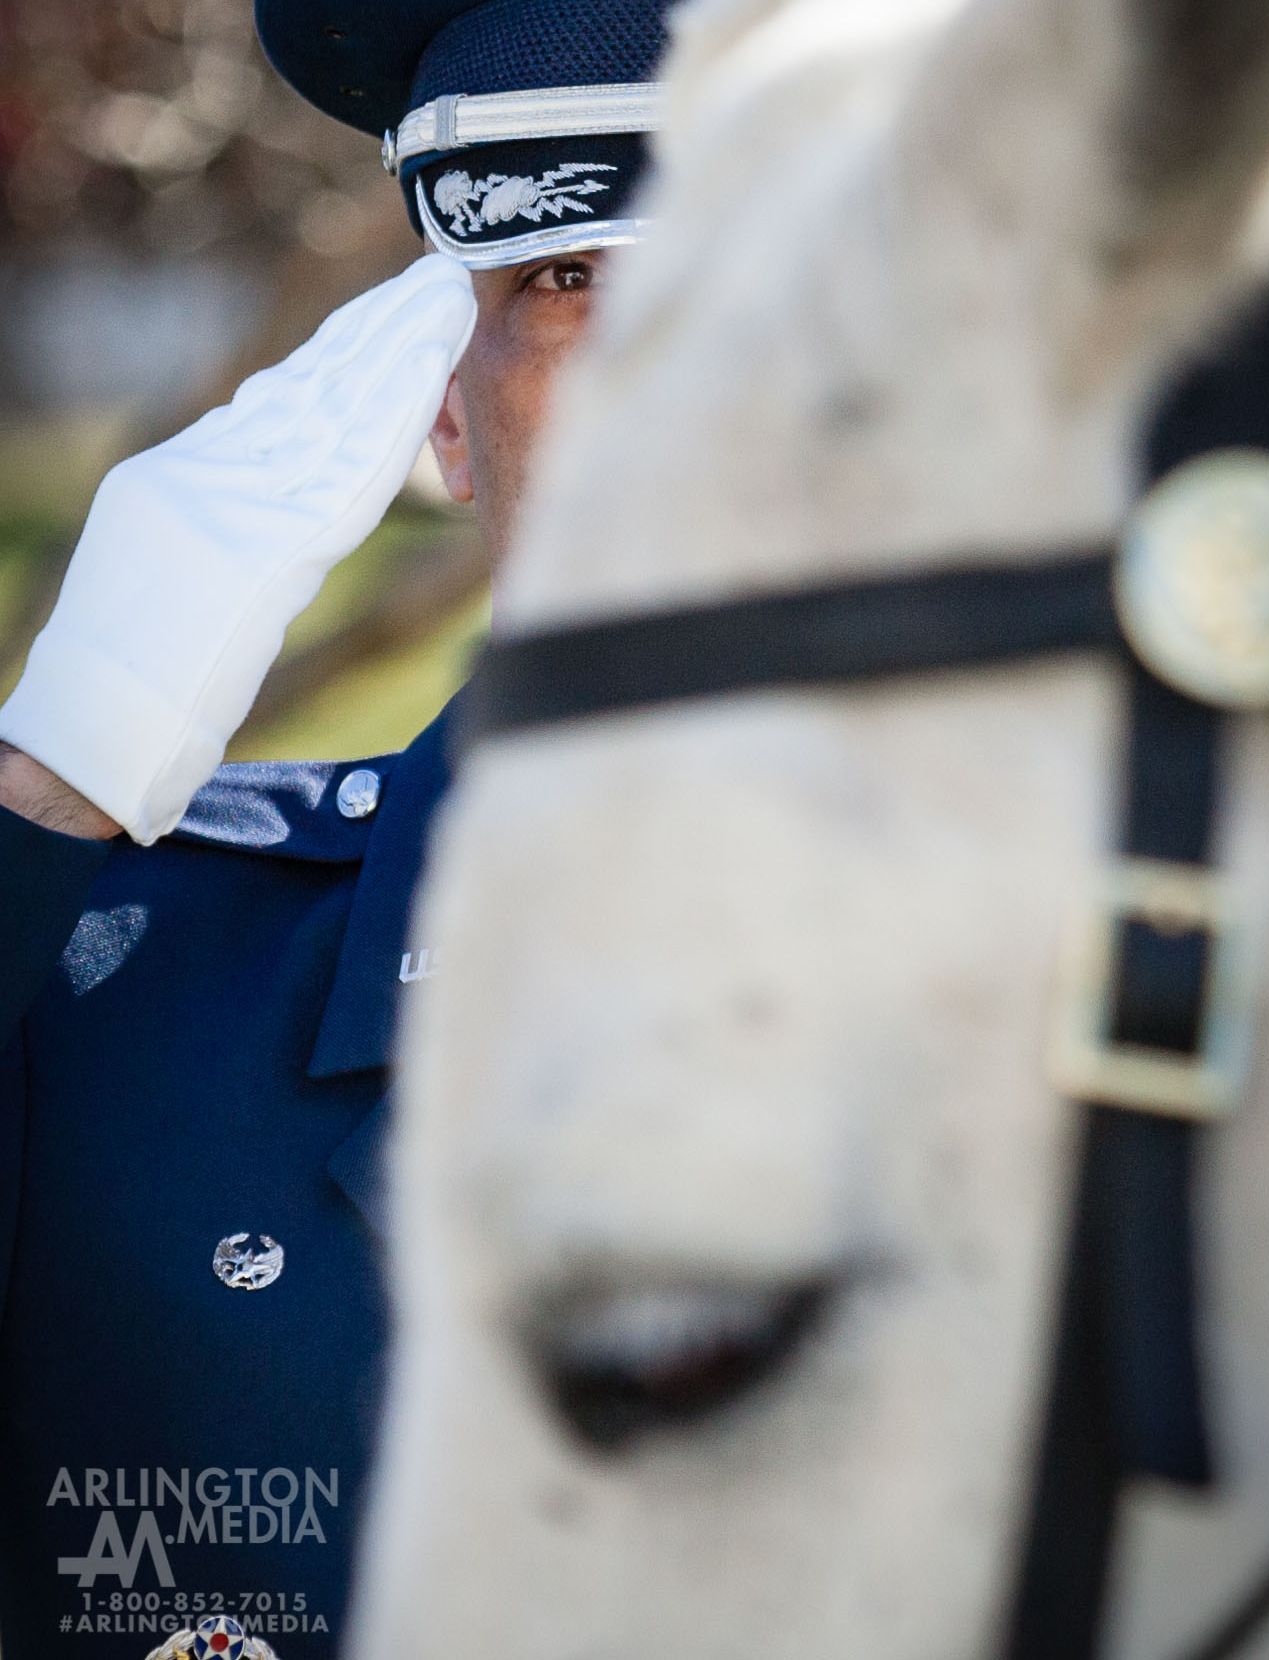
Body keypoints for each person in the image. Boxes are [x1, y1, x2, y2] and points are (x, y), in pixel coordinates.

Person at [0, 2, 672, 1656]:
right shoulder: (121, 988)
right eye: (571, 279)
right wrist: (52, 788)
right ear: (443, 412)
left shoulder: (1113, 993)